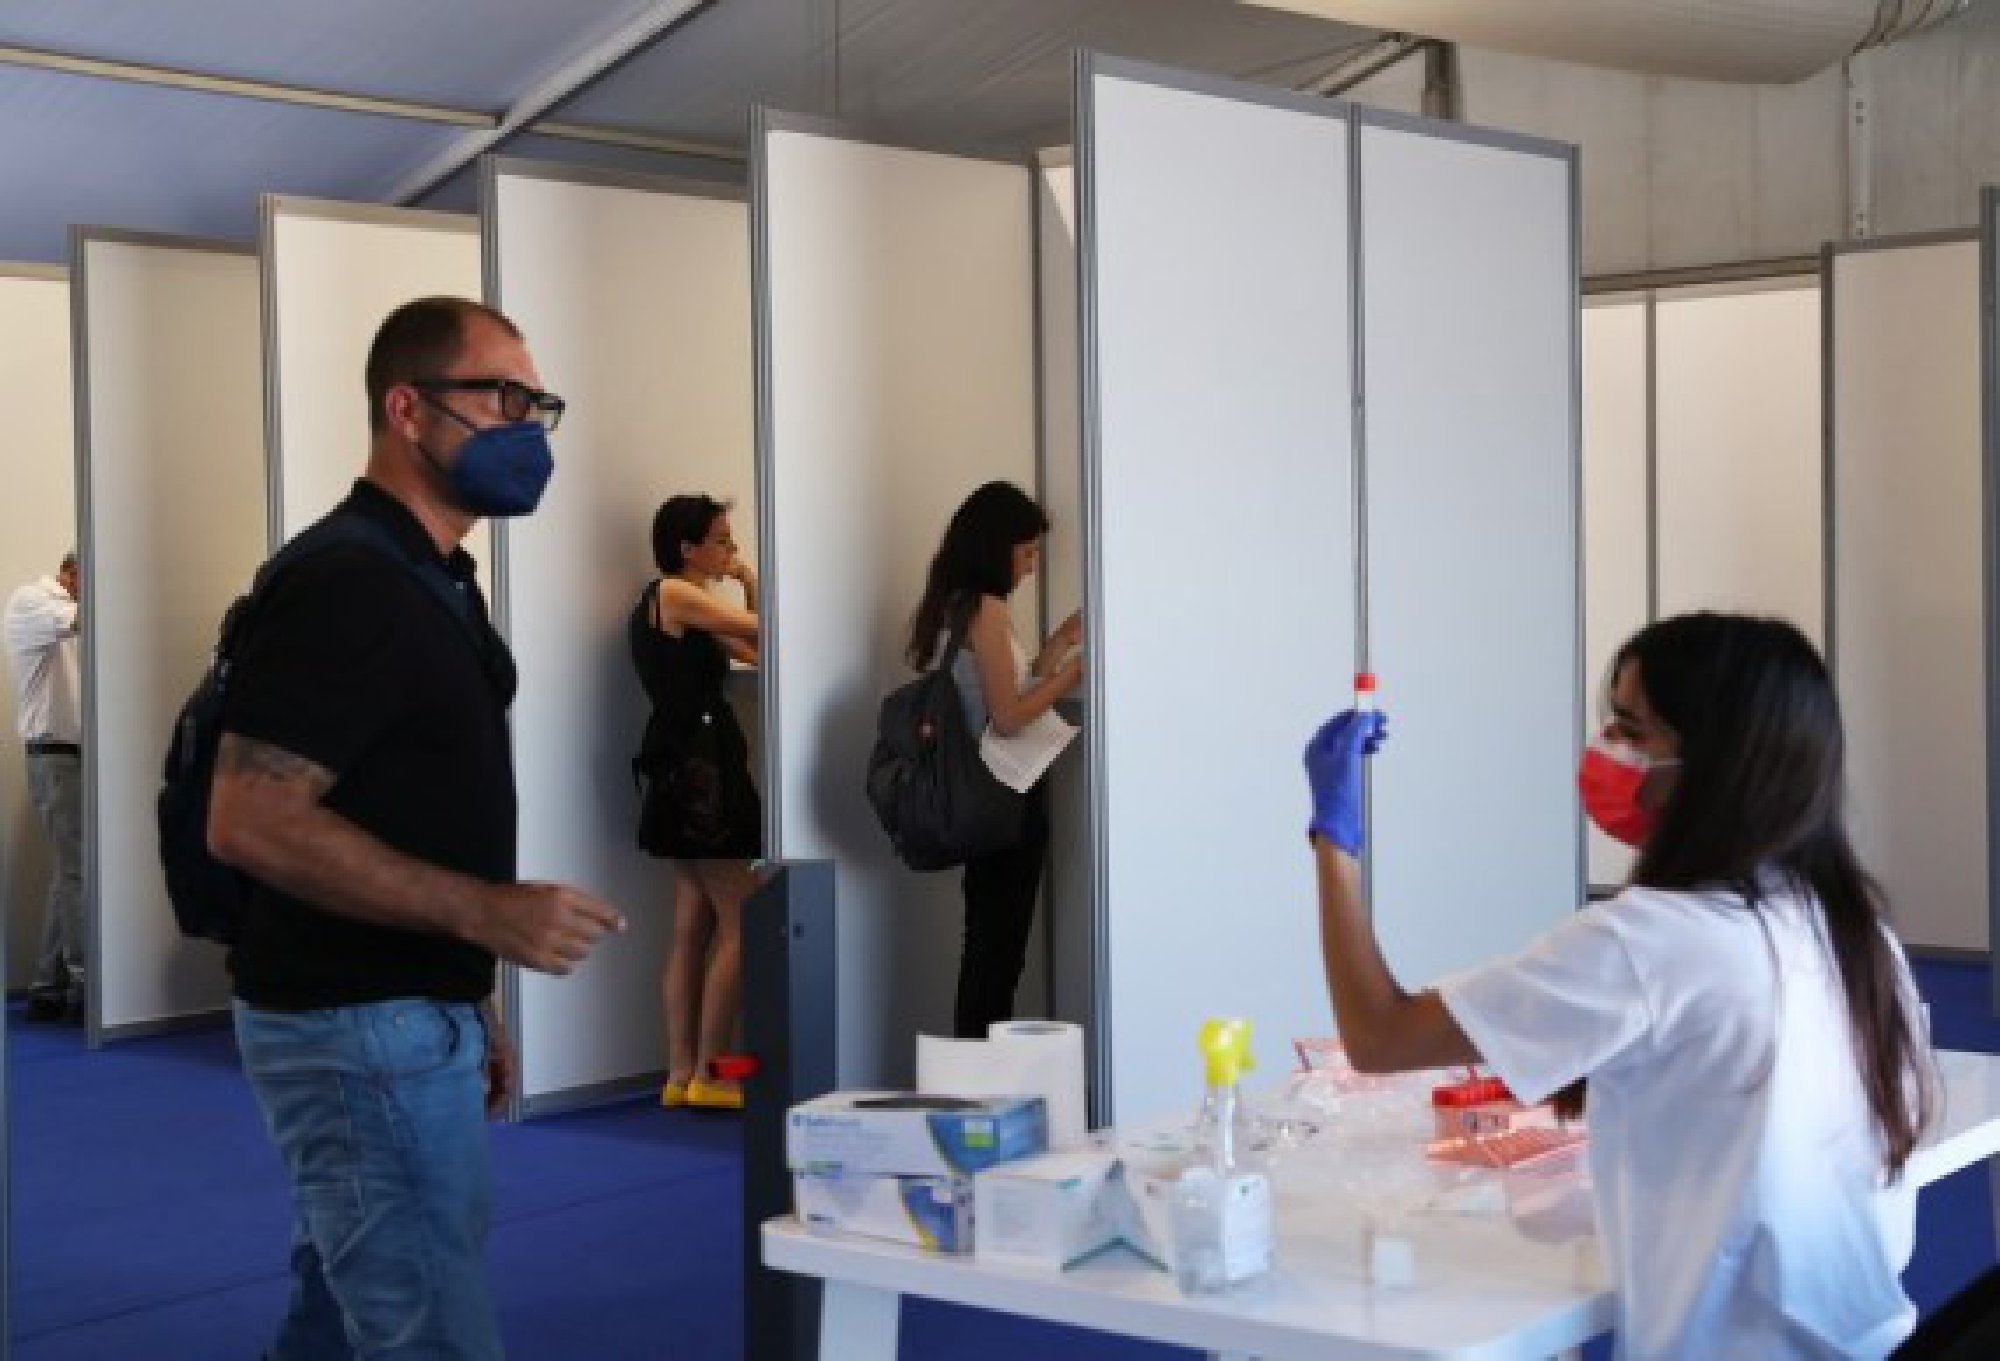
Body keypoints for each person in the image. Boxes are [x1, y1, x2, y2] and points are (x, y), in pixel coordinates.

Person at [1301, 612, 1935, 1358]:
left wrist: (1333, 842)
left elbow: (1378, 1035)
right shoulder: (1850, 928)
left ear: (1715, 763)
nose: (1607, 749)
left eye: (1632, 731)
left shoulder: (1653, 940)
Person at [208, 296, 625, 1360]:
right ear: (407, 409)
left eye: (538, 404)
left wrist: (465, 993)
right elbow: (251, 818)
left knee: (341, 1315)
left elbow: (406, 802)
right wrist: (483, 914)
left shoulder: (430, 576)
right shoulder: (346, 582)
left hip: (400, 1012)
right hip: (352, 1029)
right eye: (504, 397)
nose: (527, 426)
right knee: (429, 1331)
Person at [906, 481, 1083, 1040]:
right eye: (1026, 552)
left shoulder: (955, 604)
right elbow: (1008, 717)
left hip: (982, 796)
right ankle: (979, 1074)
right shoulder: (986, 609)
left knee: (988, 945)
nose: (1031, 565)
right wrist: (1073, 675)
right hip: (1006, 795)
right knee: (996, 955)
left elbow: (1003, 694)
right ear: (995, 547)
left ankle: (974, 1069)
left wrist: (1057, 646)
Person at [630, 494, 762, 1112]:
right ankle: (715, 1071)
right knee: (742, 920)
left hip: (679, 766)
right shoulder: (676, 593)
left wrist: (744, 586)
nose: (730, 551)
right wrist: (750, 583)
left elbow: (760, 653)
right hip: (703, 773)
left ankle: (681, 1073)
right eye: (722, 540)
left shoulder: (683, 607)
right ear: (688, 547)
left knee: (692, 923)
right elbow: (765, 630)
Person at [4, 550, 85, 1022]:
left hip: (75, 756)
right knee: (77, 872)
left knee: (68, 873)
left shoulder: (67, 609)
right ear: (72, 572)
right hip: (54, 756)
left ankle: (47, 985)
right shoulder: (32, 600)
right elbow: (83, 619)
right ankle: (83, 985)